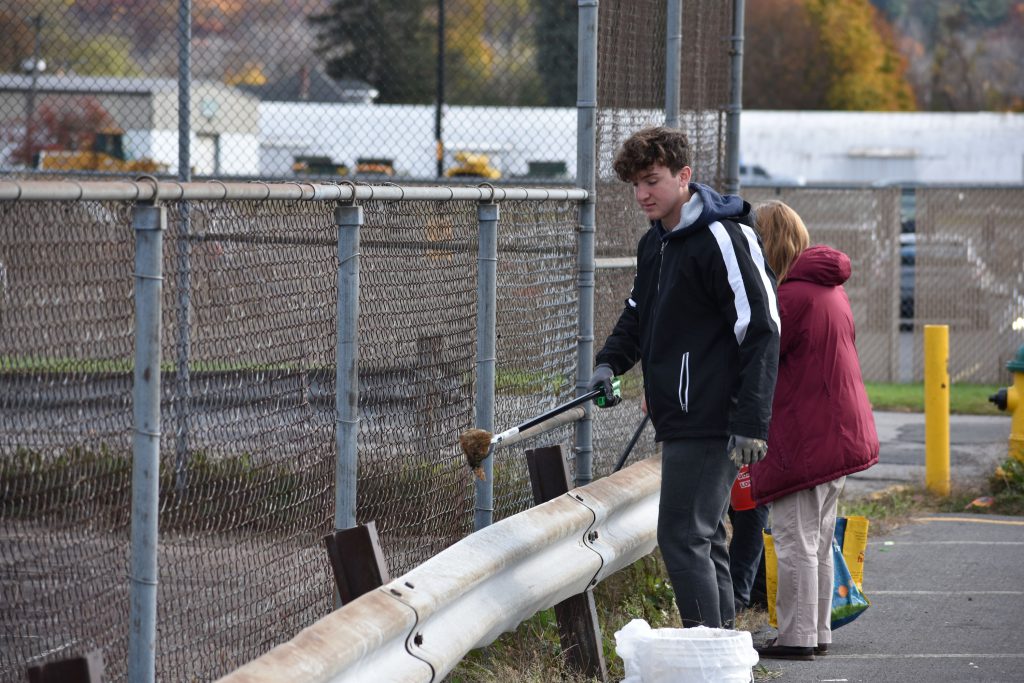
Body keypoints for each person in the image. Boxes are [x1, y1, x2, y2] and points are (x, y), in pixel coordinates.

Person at [588, 126, 780, 628]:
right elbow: (637, 315)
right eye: (635, 184)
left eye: (652, 180)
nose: (642, 194)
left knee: (680, 537)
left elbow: (762, 328)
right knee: (704, 537)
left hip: (713, 418)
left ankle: (707, 655)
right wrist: (609, 363)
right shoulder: (655, 243)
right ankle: (721, 657)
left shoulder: (723, 236)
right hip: (681, 417)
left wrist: (752, 419)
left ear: (684, 176)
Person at [749, 200, 879, 660]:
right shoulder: (828, 290)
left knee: (793, 540)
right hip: (837, 435)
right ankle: (817, 630)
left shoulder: (788, 298)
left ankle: (797, 636)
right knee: (820, 540)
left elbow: (758, 361)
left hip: (806, 440)